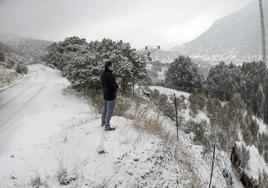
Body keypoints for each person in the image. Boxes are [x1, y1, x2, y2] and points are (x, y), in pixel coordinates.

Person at [100, 61, 119, 131]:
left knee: (105, 109)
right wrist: (117, 85)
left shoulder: (102, 74)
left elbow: (105, 84)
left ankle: (103, 123)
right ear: (109, 66)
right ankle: (107, 126)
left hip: (105, 94)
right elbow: (112, 85)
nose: (113, 67)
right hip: (111, 95)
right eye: (112, 65)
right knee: (110, 111)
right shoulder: (110, 75)